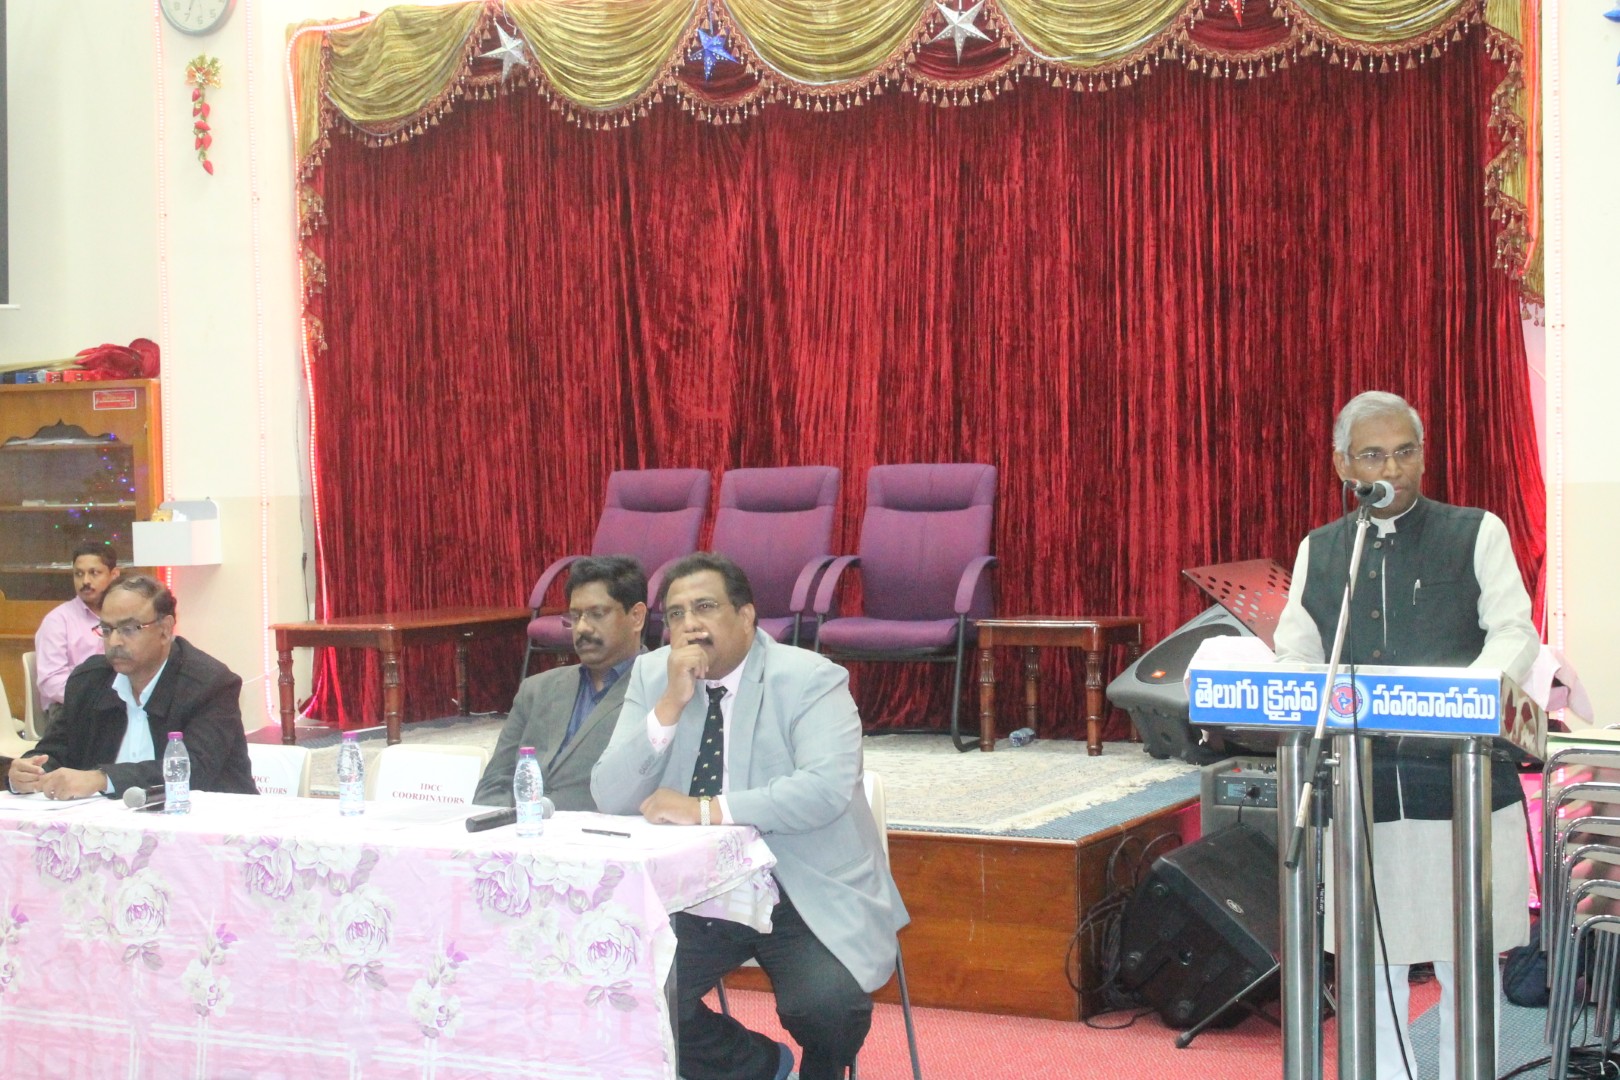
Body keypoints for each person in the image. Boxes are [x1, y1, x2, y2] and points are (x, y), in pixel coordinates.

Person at [1273, 390, 1539, 1080]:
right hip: (1361, 793)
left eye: (1405, 452)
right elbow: (1298, 652)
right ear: (1342, 465)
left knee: (1463, 962)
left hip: (1460, 785)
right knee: (1373, 966)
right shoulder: (1322, 549)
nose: (1392, 468)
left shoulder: (1475, 531)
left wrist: (1465, 698)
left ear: (1423, 456)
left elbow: (1514, 632)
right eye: (1373, 455)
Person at [592, 552, 908, 1080]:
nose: (689, 624)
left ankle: (822, 1069)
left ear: (745, 617)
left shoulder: (810, 678)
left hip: (800, 883)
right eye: (676, 614)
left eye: (705, 607)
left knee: (827, 1008)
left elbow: (824, 790)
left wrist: (704, 810)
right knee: (622, 991)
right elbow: (609, 794)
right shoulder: (653, 674)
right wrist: (669, 706)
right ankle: (756, 1065)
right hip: (698, 889)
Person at [7, 574, 257, 800]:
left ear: (165, 630)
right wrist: (27, 771)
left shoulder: (210, 684)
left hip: (206, 822)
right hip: (106, 825)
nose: (115, 641)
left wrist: (102, 779)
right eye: (107, 629)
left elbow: (195, 769)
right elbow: (57, 750)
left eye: (129, 629)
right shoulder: (88, 681)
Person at [473, 555, 648, 810]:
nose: (582, 628)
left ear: (637, 617)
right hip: (521, 828)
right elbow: (493, 784)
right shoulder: (537, 689)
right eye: (575, 616)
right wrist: (511, 823)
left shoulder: (662, 690)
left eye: (597, 614)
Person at [33, 541, 121, 733]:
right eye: (78, 574)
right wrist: (95, 698)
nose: (85, 581)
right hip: (69, 709)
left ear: (114, 575)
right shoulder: (58, 621)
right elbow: (51, 681)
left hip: (117, 703)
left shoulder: (123, 618)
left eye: (94, 573)